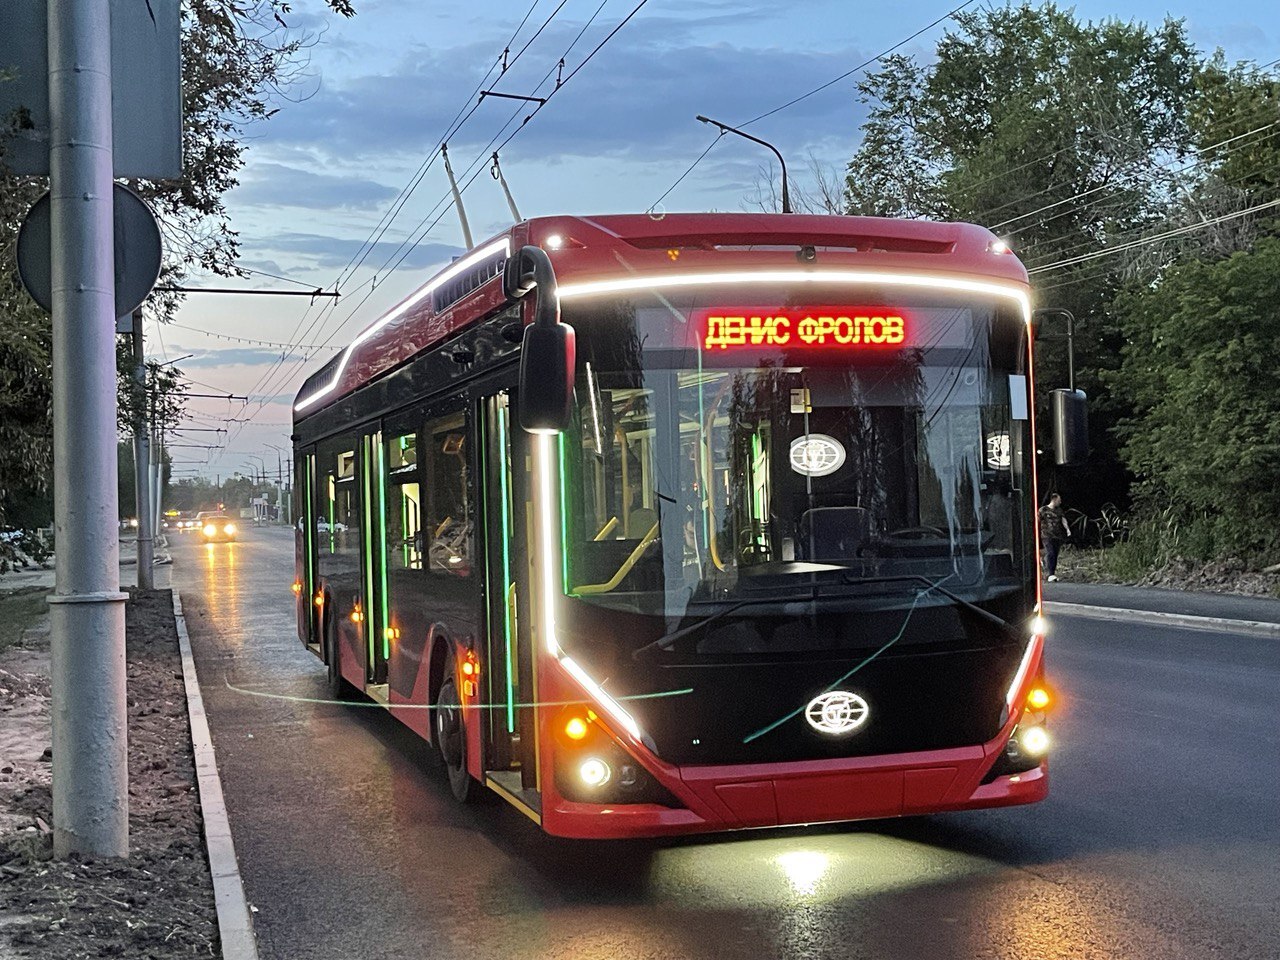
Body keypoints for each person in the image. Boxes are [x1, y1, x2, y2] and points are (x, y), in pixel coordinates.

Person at [1038, 493, 1071, 582]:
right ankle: (1050, 574)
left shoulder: (1059, 510)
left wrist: (1067, 529)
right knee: (1050, 552)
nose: (1060, 502)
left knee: (1055, 555)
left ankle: (1052, 572)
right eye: (1059, 500)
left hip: (1057, 536)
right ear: (1054, 499)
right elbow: (1037, 520)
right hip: (1046, 535)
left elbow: (1063, 520)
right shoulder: (1043, 510)